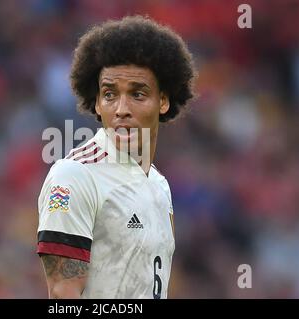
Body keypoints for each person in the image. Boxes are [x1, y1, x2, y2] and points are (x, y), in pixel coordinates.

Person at [36, 15, 196, 299]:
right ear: (97, 101)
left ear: (163, 100)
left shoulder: (159, 186)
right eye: (110, 94)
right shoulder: (74, 176)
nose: (121, 108)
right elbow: (63, 297)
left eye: (137, 93)